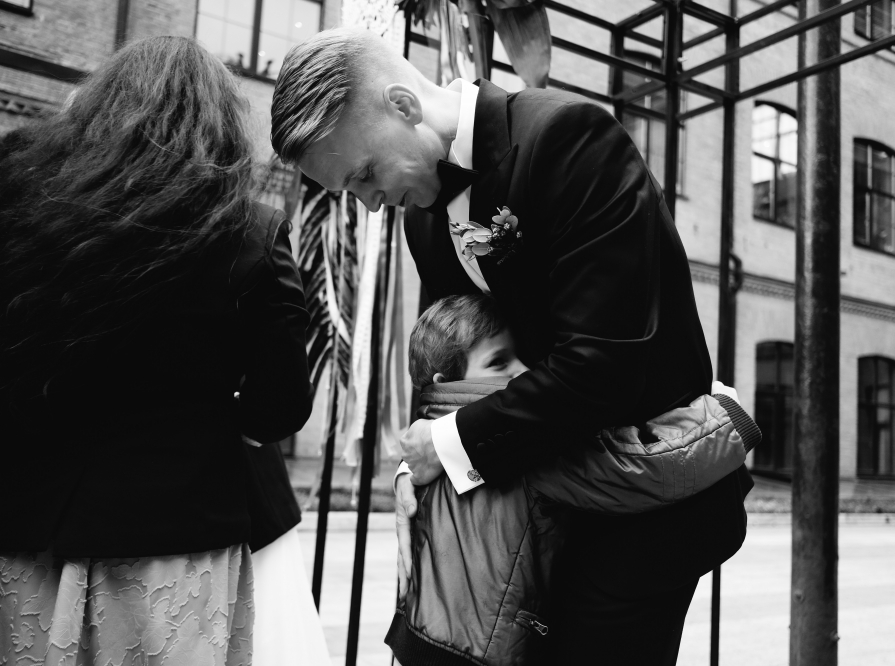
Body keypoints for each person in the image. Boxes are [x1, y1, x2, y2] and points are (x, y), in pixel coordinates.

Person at [270, 28, 754, 664]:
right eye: (349, 192)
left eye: (364, 175)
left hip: (645, 502)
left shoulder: (570, 138)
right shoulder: (422, 219)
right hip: (535, 513)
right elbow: (449, 369)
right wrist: (418, 464)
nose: (371, 205)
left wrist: (447, 446)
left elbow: (602, 368)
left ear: (403, 105)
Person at [0, 37, 313, 664]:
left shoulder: (22, 203)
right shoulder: (251, 232)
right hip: (176, 532)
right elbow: (281, 403)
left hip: (27, 520)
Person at [388, 294, 758, 665]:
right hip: (477, 655)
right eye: (499, 362)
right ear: (448, 381)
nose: (523, 370)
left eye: (519, 356)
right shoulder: (516, 447)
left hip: (418, 637)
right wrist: (724, 416)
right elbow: (636, 466)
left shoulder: (426, 450)